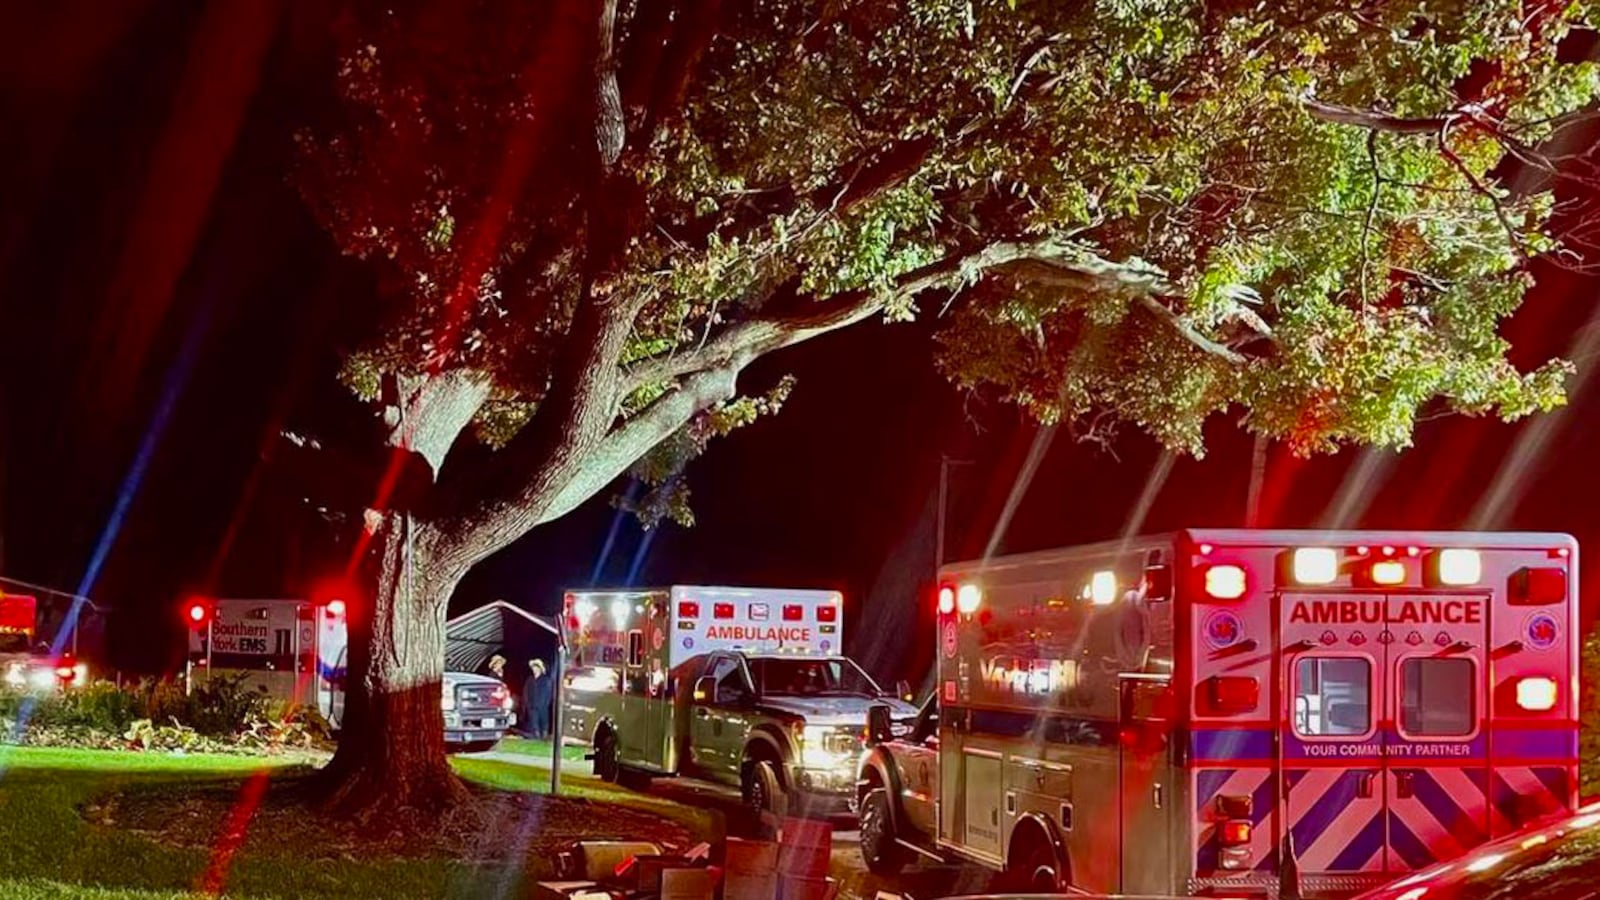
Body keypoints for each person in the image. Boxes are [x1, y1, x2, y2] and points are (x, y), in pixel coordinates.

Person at [524, 658, 552, 739]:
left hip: (542, 707)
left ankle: (544, 736)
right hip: (532, 706)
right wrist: (528, 704)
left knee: (544, 723)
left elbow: (548, 695)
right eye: (533, 668)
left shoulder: (546, 680)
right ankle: (536, 736)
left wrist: (544, 704)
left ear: (540, 669)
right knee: (534, 724)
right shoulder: (530, 680)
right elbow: (526, 692)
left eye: (536, 668)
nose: (534, 670)